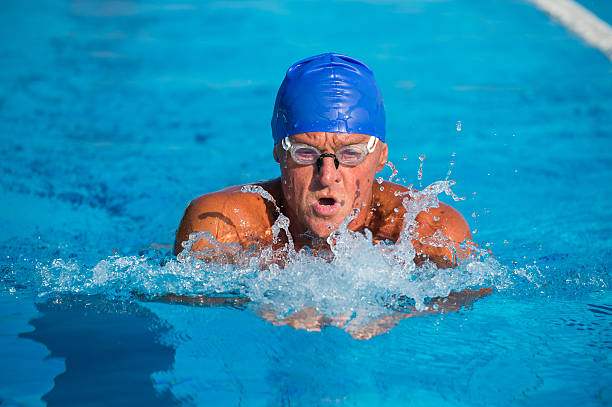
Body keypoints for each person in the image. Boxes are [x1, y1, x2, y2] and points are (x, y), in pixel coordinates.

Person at [174, 53, 473, 268]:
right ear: (279, 152)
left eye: (351, 154)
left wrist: (396, 313)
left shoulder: (432, 229)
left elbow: (461, 303)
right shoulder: (219, 222)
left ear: (380, 156)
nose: (328, 175)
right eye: (306, 152)